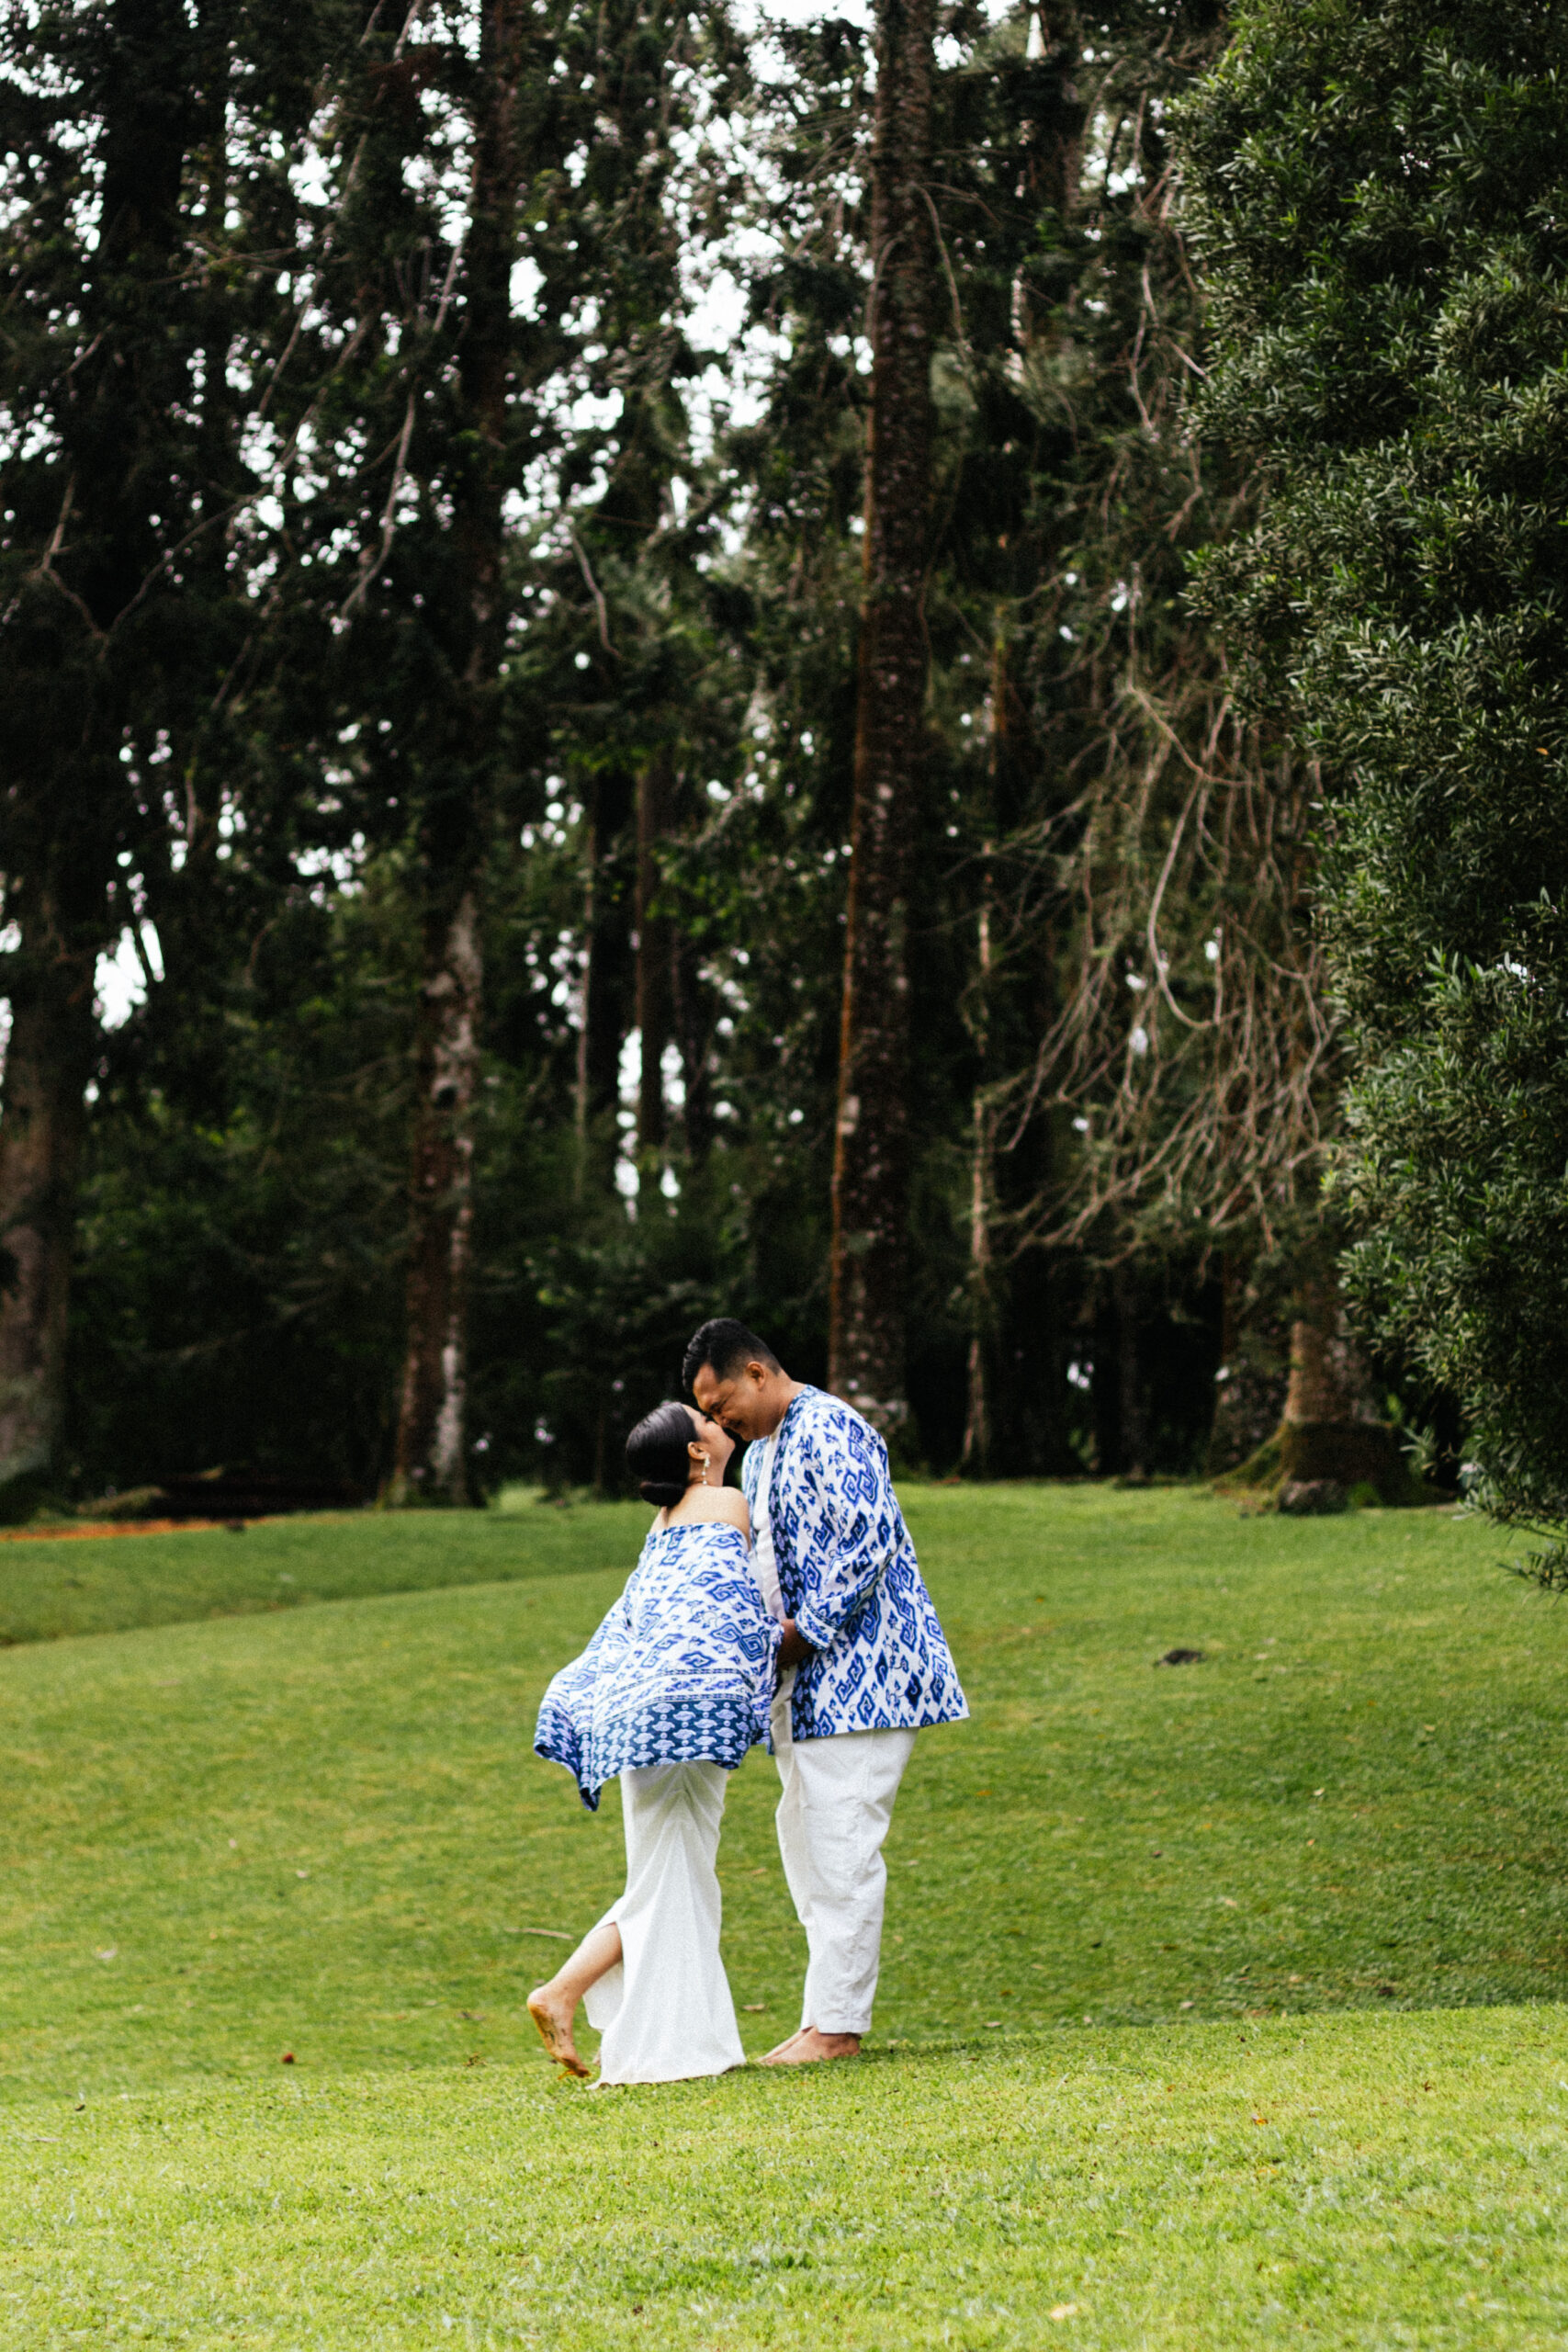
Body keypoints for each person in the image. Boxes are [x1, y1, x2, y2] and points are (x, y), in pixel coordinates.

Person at [684, 1317, 967, 2065]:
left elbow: (866, 1540)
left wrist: (802, 1633)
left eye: (720, 1405)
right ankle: (822, 2017)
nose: (719, 1423)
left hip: (865, 1679)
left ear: (754, 1371)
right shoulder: (763, 1455)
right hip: (807, 1689)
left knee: (841, 1847)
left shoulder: (830, 1426)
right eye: (708, 1415)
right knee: (808, 1848)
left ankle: (839, 2029)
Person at [529, 1399, 779, 2084]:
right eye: (706, 1423)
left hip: (641, 1718)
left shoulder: (661, 1525)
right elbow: (740, 1604)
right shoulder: (727, 1503)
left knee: (665, 1875)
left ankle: (574, 1997)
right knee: (674, 1878)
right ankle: (574, 1998)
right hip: (688, 1716)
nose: (718, 1424)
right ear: (696, 1453)